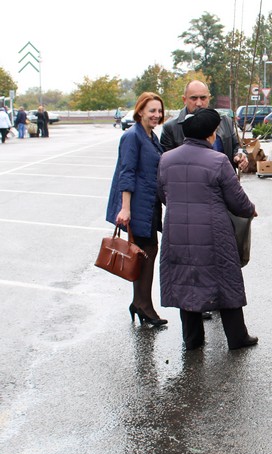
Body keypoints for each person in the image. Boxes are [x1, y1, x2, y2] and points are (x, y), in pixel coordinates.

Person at [158, 108, 259, 351]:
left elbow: (163, 194)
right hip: (213, 232)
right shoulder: (217, 160)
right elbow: (237, 200)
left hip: (176, 232)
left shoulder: (167, 159)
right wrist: (250, 209)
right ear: (211, 135)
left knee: (186, 281)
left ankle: (193, 340)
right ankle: (237, 338)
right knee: (226, 280)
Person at [105, 92, 168, 328]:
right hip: (137, 205)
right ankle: (144, 305)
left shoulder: (151, 136)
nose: (157, 115)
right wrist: (125, 208)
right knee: (146, 252)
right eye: (152, 110)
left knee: (143, 253)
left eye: (159, 111)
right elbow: (127, 172)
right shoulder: (132, 136)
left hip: (149, 203)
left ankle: (139, 302)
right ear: (140, 111)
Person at [160, 80, 247, 172]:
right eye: (194, 98)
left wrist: (240, 156)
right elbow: (167, 165)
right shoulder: (171, 127)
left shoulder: (225, 121)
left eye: (203, 98)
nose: (199, 103)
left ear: (209, 98)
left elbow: (238, 146)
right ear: (184, 99)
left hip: (224, 182)